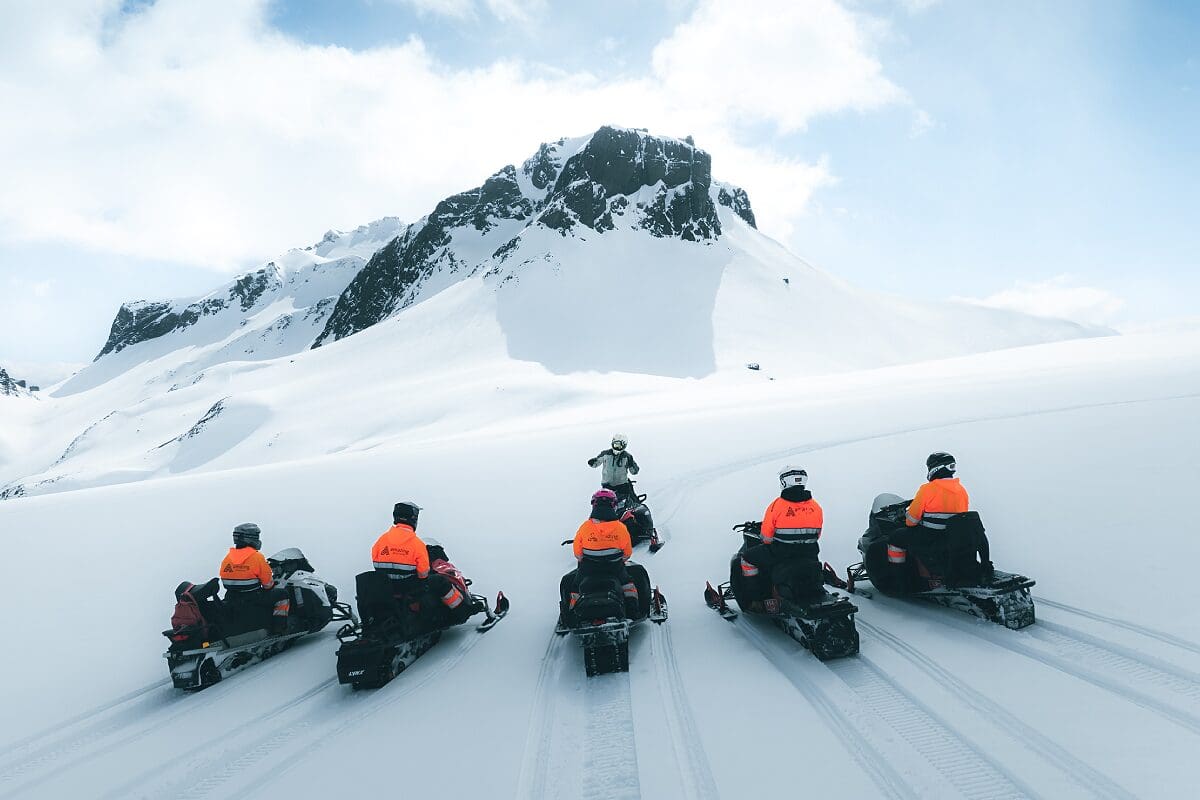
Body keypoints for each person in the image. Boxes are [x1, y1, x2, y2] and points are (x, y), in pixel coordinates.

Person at [370, 502, 468, 631]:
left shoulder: (381, 540)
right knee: (440, 581)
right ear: (413, 519)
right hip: (410, 589)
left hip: (388, 588)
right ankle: (462, 611)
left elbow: (376, 563)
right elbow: (423, 572)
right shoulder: (416, 544)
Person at [898, 452, 992, 583]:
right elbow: (961, 519)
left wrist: (907, 515)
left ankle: (900, 576)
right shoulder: (961, 490)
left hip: (932, 538)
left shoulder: (927, 489)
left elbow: (911, 522)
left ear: (935, 468)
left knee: (896, 537)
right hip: (954, 539)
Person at [559, 489, 648, 623]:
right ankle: (633, 611)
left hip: (588, 570)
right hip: (615, 569)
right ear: (613, 506)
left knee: (575, 587)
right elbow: (627, 553)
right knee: (628, 584)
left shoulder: (585, 527)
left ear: (594, 505)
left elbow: (577, 553)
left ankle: (571, 615)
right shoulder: (620, 528)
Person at [739, 466, 825, 604]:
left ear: (784, 482)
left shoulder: (777, 506)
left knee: (747, 559)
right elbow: (817, 534)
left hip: (781, 552)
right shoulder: (816, 507)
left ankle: (756, 598)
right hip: (809, 552)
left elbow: (766, 538)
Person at [219, 522, 290, 634]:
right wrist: (271, 585)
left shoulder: (228, 557)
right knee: (282, 595)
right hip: (252, 597)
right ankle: (280, 627)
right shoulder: (256, 557)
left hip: (232, 596)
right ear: (251, 538)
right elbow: (268, 584)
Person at [587, 433, 641, 507]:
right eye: (615, 445)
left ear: (624, 445)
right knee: (606, 505)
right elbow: (596, 463)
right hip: (608, 486)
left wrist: (632, 464)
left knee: (627, 504)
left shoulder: (627, 456)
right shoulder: (605, 454)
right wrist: (592, 462)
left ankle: (632, 514)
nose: (617, 447)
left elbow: (634, 472)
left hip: (622, 486)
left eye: (619, 445)